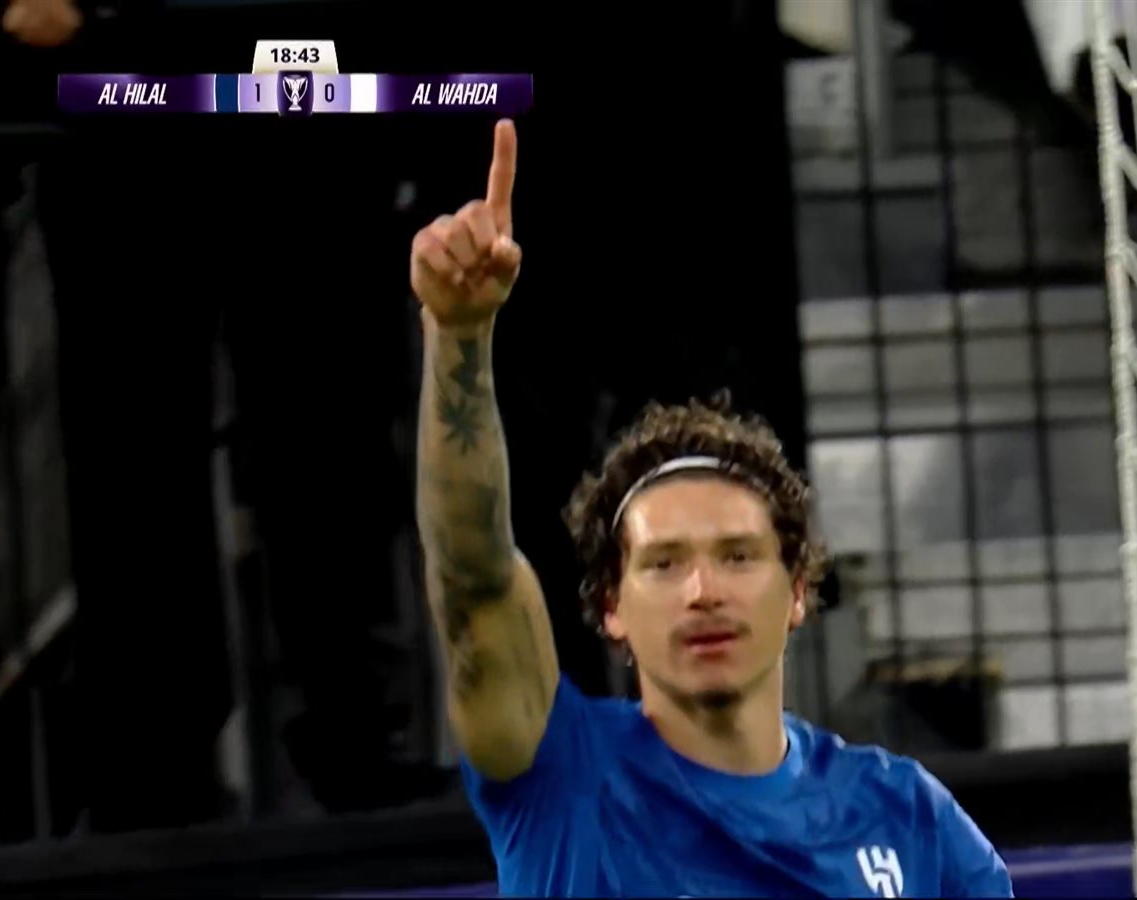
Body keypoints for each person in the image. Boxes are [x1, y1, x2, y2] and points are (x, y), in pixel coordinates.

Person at [409, 119, 1013, 898]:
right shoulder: (559, 772)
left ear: (798, 591)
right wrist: (459, 337)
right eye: (664, 564)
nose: (703, 591)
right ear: (611, 604)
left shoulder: (910, 819)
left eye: (737, 555)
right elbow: (473, 578)